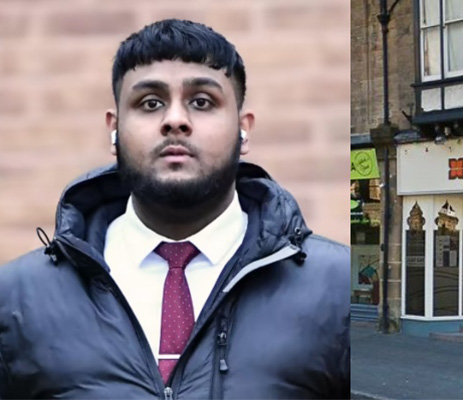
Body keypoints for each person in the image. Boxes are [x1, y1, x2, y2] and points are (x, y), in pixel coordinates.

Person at [0, 19, 349, 399]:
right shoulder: (17, 296)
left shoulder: (335, 287)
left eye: (202, 102)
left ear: (243, 129)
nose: (175, 120)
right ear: (114, 130)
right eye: (150, 103)